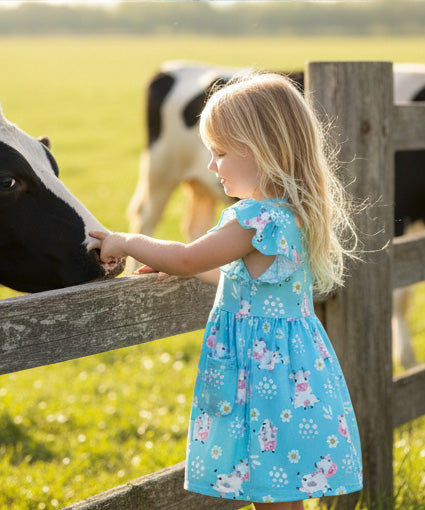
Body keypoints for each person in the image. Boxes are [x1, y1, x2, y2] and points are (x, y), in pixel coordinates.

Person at [90, 72, 363, 509]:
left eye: (219, 153)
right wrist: (182, 271)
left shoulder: (253, 219)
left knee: (272, 489)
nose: (211, 167)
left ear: (264, 151)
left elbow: (186, 255)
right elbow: (239, 279)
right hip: (295, 370)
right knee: (284, 488)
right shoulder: (292, 214)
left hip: (263, 377)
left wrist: (128, 240)